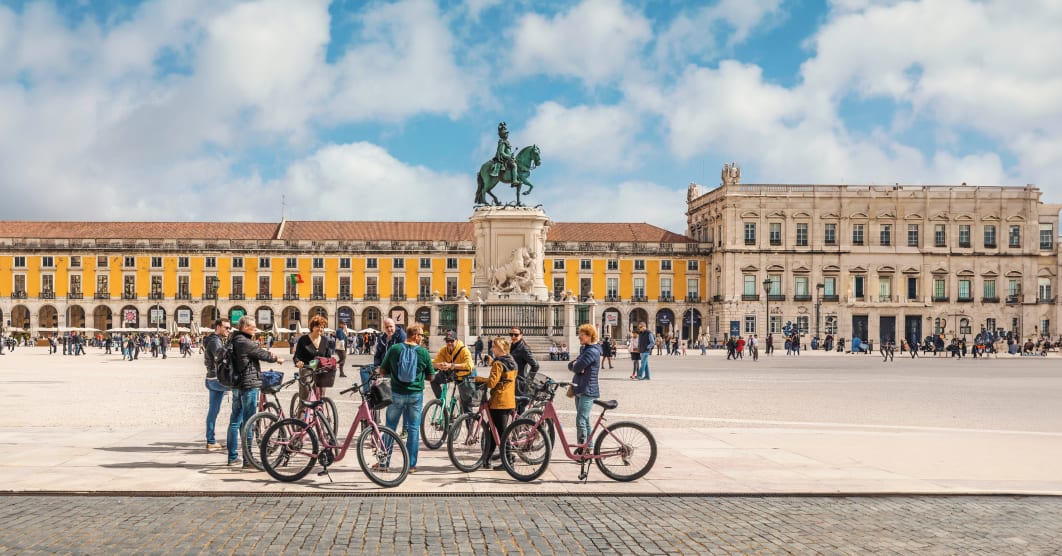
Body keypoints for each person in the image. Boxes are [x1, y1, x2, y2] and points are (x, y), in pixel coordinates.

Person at [226, 316, 282, 467]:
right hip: (248, 385)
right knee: (248, 423)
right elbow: (262, 354)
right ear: (245, 327)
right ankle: (248, 459)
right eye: (253, 327)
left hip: (237, 385)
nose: (255, 330)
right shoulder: (244, 342)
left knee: (234, 422)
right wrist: (276, 358)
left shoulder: (234, 339)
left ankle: (232, 457)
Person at [380, 323, 433, 473]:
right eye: (421, 335)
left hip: (396, 393)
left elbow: (383, 370)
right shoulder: (423, 352)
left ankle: (384, 462)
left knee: (390, 427)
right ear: (415, 336)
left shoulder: (395, 349)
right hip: (416, 395)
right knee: (413, 429)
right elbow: (431, 376)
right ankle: (411, 465)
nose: (422, 338)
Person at [474, 336, 518, 470]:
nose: (492, 348)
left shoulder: (498, 364)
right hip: (509, 400)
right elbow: (504, 378)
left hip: (498, 401)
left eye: (494, 346)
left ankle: (509, 460)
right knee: (494, 431)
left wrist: (479, 379)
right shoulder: (511, 361)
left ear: (499, 348)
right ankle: (486, 459)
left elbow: (492, 383)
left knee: (501, 432)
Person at [569, 324, 602, 453]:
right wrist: (575, 366)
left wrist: (577, 366)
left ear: (589, 336)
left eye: (582, 334)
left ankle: (582, 449)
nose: (579, 336)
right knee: (585, 420)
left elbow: (576, 367)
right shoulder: (585, 350)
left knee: (581, 420)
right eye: (580, 334)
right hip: (580, 388)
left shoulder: (592, 351)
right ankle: (589, 447)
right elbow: (572, 365)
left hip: (587, 390)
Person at [202, 319, 231, 452]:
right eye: (226, 328)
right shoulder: (215, 342)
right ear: (218, 327)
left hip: (211, 379)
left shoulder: (214, 340)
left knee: (213, 411)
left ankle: (211, 441)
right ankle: (242, 433)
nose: (228, 330)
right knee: (244, 392)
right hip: (217, 379)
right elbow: (222, 359)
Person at [294, 315, 335, 401]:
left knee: (321, 397)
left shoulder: (325, 340)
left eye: (322, 327)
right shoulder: (303, 339)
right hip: (307, 369)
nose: (320, 329)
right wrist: (298, 362)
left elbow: (328, 357)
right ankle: (302, 412)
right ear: (312, 327)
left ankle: (320, 413)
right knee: (305, 397)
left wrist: (332, 364)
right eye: (317, 326)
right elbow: (296, 356)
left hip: (321, 370)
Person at [431, 331, 474, 403]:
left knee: (466, 403)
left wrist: (451, 365)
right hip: (451, 373)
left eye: (452, 341)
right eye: (447, 341)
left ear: (456, 340)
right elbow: (434, 363)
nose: (449, 343)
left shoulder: (464, 350)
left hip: (463, 375)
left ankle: (467, 412)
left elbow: (469, 365)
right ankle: (441, 403)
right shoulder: (444, 350)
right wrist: (440, 365)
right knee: (433, 380)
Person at [509, 327, 540, 413]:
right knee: (514, 407)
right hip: (513, 381)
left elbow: (535, 365)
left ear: (521, 335)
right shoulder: (513, 346)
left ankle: (522, 425)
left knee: (519, 409)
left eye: (516, 334)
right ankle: (518, 425)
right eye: (511, 334)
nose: (513, 336)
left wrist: (528, 381)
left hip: (520, 382)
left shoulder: (523, 348)